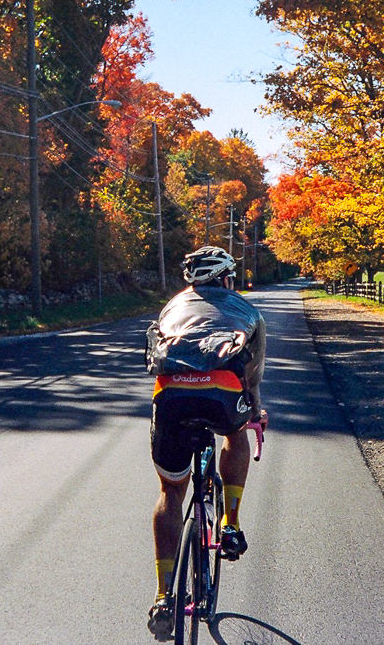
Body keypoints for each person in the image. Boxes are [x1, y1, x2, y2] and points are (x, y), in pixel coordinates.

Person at [144, 246, 268, 640]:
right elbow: (252, 376)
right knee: (235, 435)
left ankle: (164, 597)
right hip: (222, 395)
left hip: (171, 398)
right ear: (227, 278)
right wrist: (255, 413)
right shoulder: (246, 310)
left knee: (170, 492)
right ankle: (230, 524)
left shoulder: (171, 307)